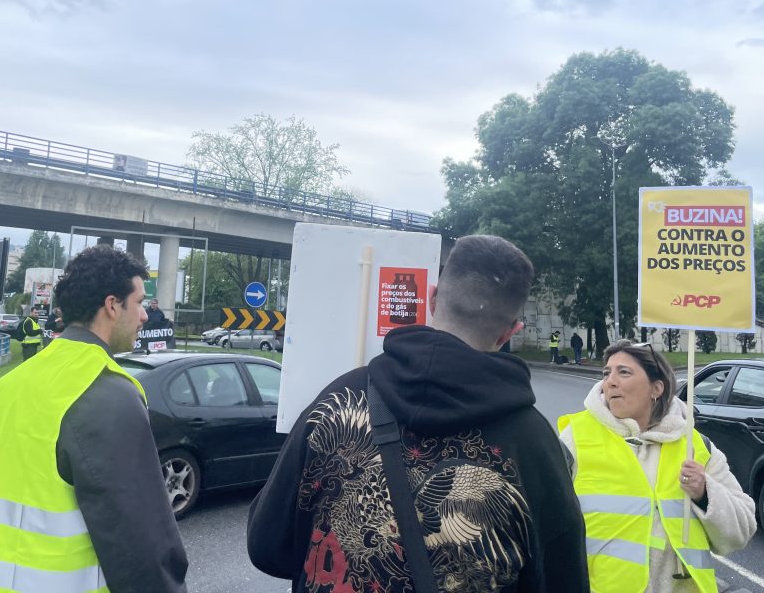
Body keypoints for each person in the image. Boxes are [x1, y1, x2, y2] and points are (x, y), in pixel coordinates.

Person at [247, 235, 589, 592]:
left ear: (432, 298)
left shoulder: (337, 401)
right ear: (511, 331)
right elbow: (564, 580)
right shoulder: (534, 443)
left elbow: (267, 546)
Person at [0, 244, 188, 593]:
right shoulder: (108, 392)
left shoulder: (7, 386)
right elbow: (142, 543)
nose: (144, 316)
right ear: (112, 305)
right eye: (139, 302)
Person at [558, 340, 755, 592]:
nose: (610, 382)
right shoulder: (575, 439)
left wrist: (705, 492)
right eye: (606, 373)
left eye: (624, 372)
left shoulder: (695, 446)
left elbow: (743, 530)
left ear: (656, 388)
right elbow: (545, 529)